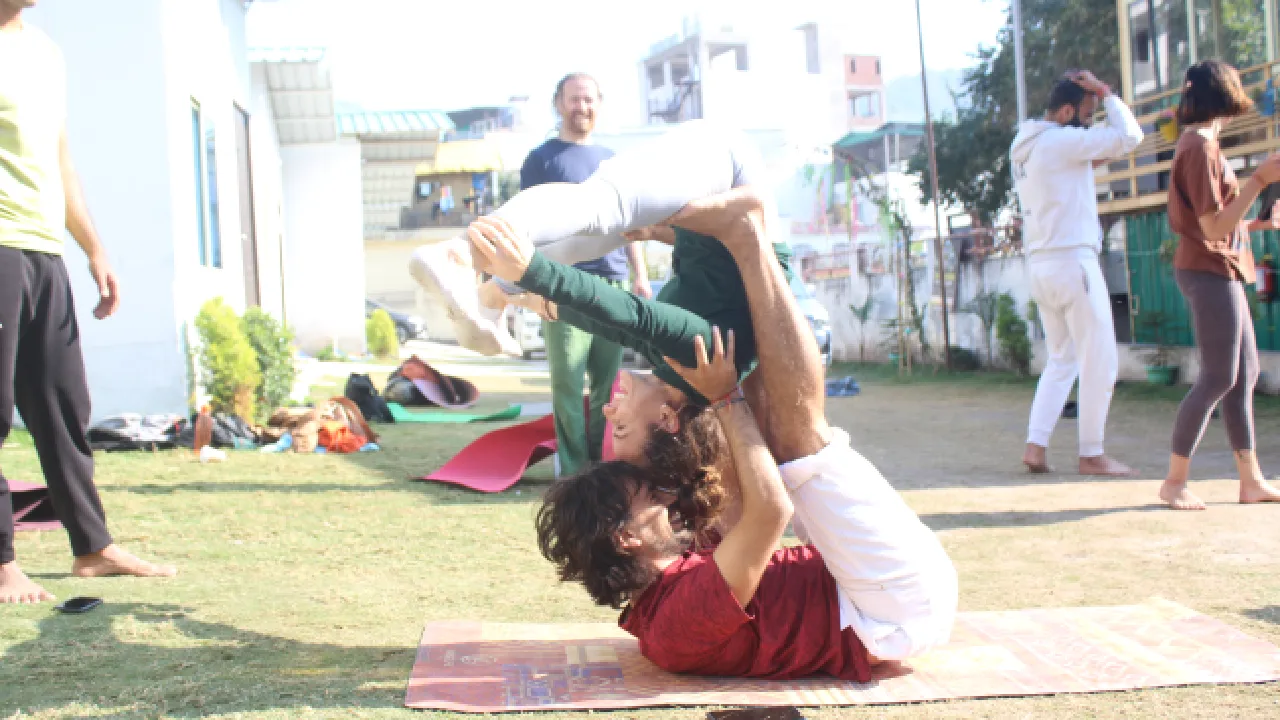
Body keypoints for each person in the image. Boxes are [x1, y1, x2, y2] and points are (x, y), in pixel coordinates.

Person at [504, 190, 956, 679]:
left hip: (860, 587)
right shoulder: (676, 622)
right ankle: (748, 238)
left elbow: (736, 480)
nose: (665, 497)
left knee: (764, 417)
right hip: (890, 611)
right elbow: (770, 511)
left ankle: (743, 242)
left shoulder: (673, 576)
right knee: (798, 447)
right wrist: (725, 399)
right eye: (648, 495)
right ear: (626, 537)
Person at [0, 0, 177, 604]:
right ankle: (1, 562)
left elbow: (59, 157)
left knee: (62, 404)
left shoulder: (45, 52)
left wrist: (94, 249)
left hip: (42, 250)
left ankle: (92, 547)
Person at [409, 118, 773, 358]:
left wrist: (529, 299)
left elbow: (620, 325)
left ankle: (493, 296)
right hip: (730, 166)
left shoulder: (684, 361)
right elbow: (631, 317)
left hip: (715, 196)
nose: (617, 408)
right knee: (603, 206)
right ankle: (461, 252)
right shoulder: (712, 357)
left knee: (599, 233)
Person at [1009, 70, 1144, 476]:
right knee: (1099, 360)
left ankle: (1036, 446)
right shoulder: (1060, 141)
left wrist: (1096, 130)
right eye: (1087, 113)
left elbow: (1091, 156)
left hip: (1042, 266)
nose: (1091, 119)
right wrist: (1108, 92)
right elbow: (1131, 137)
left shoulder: (1027, 146)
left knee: (1061, 359)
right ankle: (1091, 453)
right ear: (1067, 111)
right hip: (1073, 263)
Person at [517, 73, 651, 477]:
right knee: (569, 383)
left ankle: (601, 467)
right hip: (562, 285)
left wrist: (640, 276)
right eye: (574, 99)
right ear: (558, 104)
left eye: (589, 99)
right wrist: (534, 286)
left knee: (611, 384)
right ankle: (573, 472)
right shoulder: (541, 159)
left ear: (599, 105)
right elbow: (527, 224)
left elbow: (632, 223)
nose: (582, 107)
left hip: (612, 284)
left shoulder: (614, 162)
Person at [1161, 60, 1280, 511]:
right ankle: (1174, 482)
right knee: (1218, 376)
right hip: (1209, 268)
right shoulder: (1199, 147)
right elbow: (1211, 228)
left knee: (1243, 374)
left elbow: (1216, 224)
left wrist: (1258, 222)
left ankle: (1250, 480)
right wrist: (1258, 180)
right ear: (1224, 95)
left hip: (1220, 265)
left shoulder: (1202, 144)